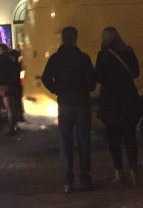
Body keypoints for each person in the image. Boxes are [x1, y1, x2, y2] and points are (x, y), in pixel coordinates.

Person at [41, 26, 96, 194]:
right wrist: (85, 88)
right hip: (82, 101)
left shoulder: (55, 58)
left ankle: (67, 181)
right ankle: (85, 179)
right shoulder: (83, 58)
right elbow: (92, 82)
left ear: (62, 39)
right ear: (76, 38)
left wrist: (56, 89)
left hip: (65, 102)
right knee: (83, 140)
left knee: (65, 141)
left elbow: (45, 78)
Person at [95, 27, 141, 187]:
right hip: (128, 98)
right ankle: (134, 172)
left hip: (111, 101)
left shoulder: (103, 55)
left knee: (113, 139)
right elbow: (136, 72)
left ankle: (119, 172)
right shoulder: (128, 51)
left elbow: (98, 77)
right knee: (130, 137)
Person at [0, 43, 19, 134]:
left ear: (4, 50)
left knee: (6, 107)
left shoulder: (4, 60)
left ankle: (9, 127)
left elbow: (5, 73)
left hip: (4, 85)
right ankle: (7, 126)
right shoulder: (2, 60)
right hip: (1, 85)